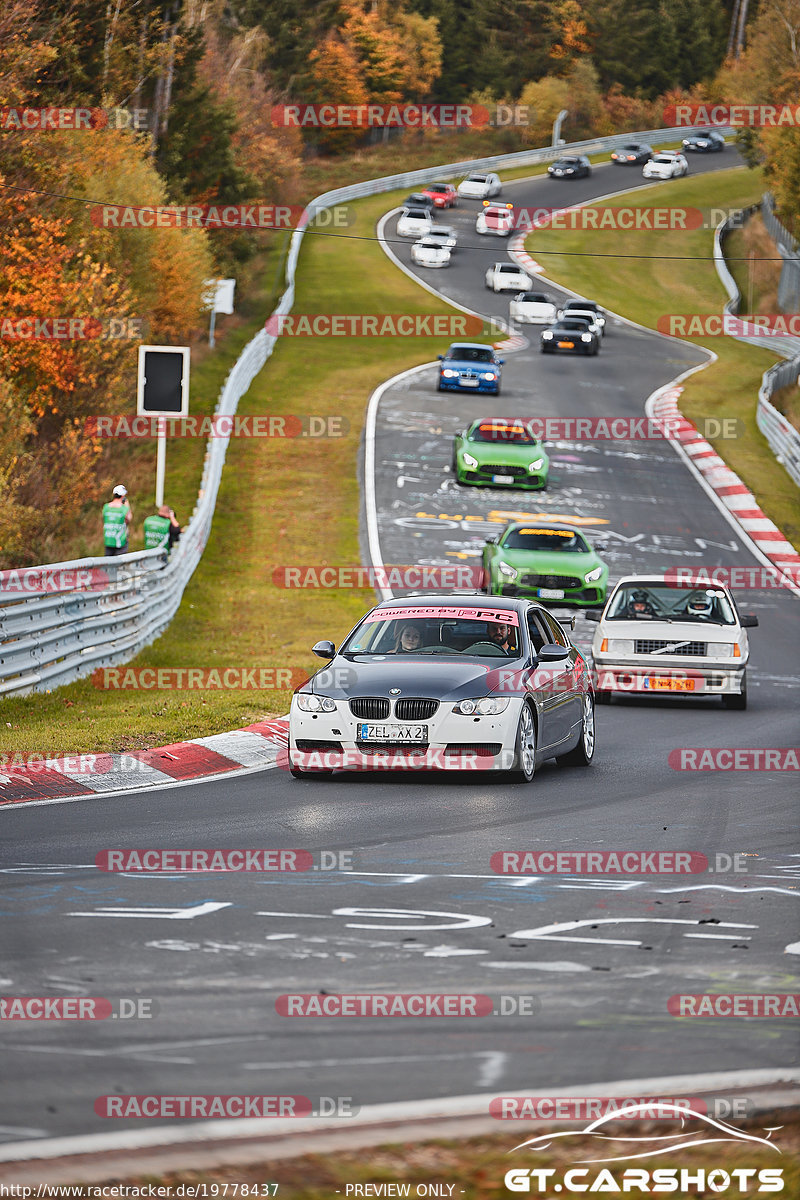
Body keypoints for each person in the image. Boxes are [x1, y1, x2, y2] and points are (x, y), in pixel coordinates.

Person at [102, 485, 132, 556]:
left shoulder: (106, 507)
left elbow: (103, 520)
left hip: (108, 539)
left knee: (108, 562)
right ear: (123, 496)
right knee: (119, 563)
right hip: (120, 541)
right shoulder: (124, 508)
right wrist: (127, 505)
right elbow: (129, 519)